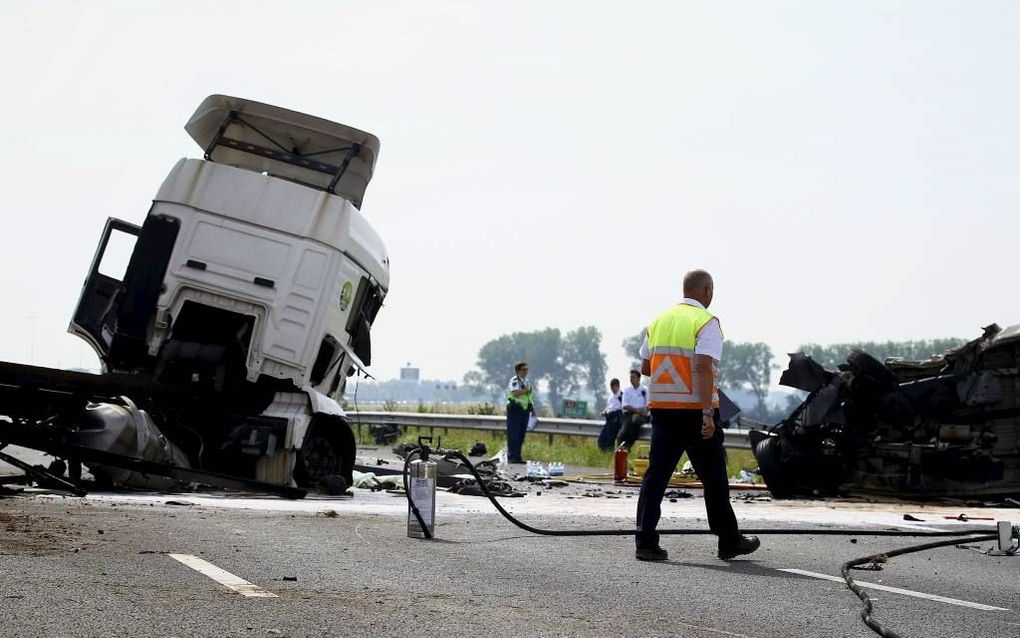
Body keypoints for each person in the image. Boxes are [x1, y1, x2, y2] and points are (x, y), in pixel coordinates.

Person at [634, 269, 760, 562]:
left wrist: (672, 373)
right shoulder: (706, 322)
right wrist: (707, 414)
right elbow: (703, 367)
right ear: (706, 291)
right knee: (714, 478)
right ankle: (729, 541)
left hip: (663, 411)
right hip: (694, 412)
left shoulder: (658, 321)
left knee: (656, 477)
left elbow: (646, 368)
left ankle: (645, 541)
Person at [505, 361, 534, 464]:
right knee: (514, 433)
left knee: (521, 434)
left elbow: (529, 396)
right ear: (518, 371)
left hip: (524, 409)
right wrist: (526, 391)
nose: (526, 372)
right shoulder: (515, 380)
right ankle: (512, 456)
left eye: (527, 370)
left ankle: (518, 456)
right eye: (524, 370)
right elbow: (515, 393)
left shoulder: (527, 381)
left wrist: (531, 406)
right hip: (515, 409)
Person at [617, 369, 649, 449]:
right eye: (630, 377)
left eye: (633, 377)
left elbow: (647, 406)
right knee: (623, 433)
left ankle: (626, 448)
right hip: (629, 415)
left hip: (642, 416)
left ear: (638, 378)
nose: (631, 379)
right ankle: (620, 451)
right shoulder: (627, 390)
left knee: (635, 424)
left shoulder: (645, 390)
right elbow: (625, 405)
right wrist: (636, 411)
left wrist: (638, 413)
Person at [597, 378, 624, 452]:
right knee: (601, 439)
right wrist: (604, 412)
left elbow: (623, 408)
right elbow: (609, 406)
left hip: (615, 420)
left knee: (610, 440)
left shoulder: (621, 396)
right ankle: (604, 453)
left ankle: (609, 453)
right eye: (611, 387)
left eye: (613, 387)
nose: (612, 389)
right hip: (609, 419)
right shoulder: (611, 396)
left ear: (617, 386)